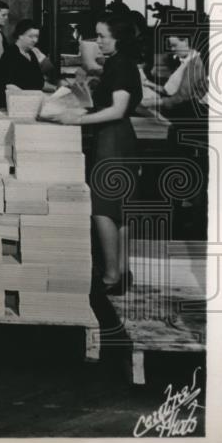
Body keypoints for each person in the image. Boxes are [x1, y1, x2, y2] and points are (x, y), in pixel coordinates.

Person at [56, 17, 143, 295]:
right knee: (119, 210)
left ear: (118, 38)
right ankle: (121, 271)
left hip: (113, 140)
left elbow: (117, 109)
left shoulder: (119, 65)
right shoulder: (122, 62)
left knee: (102, 209)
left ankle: (109, 276)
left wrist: (75, 121)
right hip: (121, 137)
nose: (98, 42)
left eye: (103, 36)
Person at [143, 31, 208, 119]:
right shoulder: (186, 61)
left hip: (193, 113)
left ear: (186, 41)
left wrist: (153, 102)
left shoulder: (195, 64)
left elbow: (182, 97)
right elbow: (170, 90)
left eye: (174, 45)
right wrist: (148, 84)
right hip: (181, 106)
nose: (172, 49)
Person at [0, 19, 54, 91]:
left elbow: (39, 83)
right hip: (18, 99)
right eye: (31, 36)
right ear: (20, 36)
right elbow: (9, 86)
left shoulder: (31, 54)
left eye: (37, 36)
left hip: (34, 97)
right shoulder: (10, 54)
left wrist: (56, 88)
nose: (35, 40)